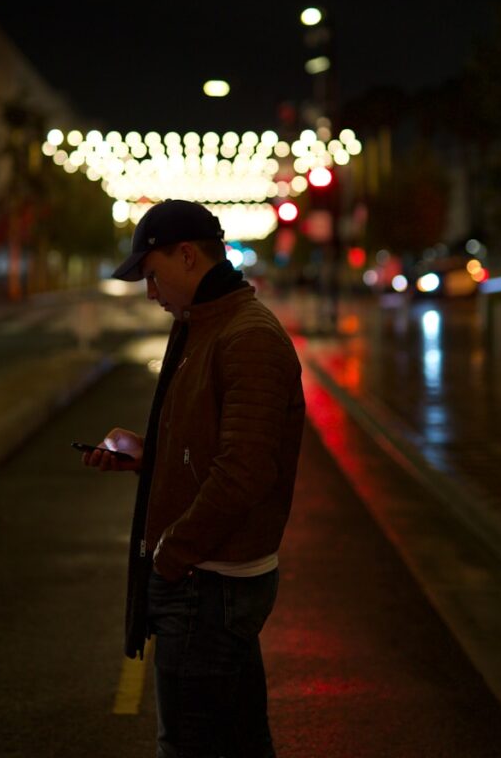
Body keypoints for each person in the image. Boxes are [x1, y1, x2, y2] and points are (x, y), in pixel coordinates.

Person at [84, 199, 305, 758]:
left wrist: (170, 555)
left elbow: (245, 470)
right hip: (209, 578)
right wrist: (149, 454)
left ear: (186, 256)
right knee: (238, 742)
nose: (151, 294)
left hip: (210, 582)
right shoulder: (207, 323)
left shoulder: (244, 335)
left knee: (189, 745)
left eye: (153, 276)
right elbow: (210, 444)